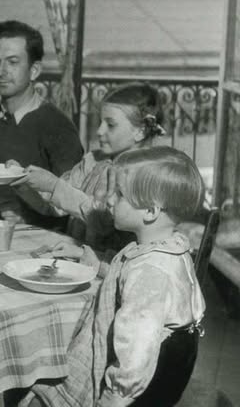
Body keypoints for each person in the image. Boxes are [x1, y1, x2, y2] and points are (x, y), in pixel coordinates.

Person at [18, 146, 206, 407]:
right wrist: (94, 262)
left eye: (119, 194)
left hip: (134, 390)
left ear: (150, 211)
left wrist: (113, 397)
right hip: (167, 374)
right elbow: (128, 273)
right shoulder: (167, 248)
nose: (108, 200)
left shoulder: (151, 273)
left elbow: (137, 350)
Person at [12, 82, 165, 251]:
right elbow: (54, 206)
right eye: (100, 122)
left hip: (112, 266)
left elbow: (105, 222)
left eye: (110, 124)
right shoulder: (93, 160)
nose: (99, 131)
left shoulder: (144, 174)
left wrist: (55, 186)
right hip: (75, 254)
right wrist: (23, 183)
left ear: (140, 131)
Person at [0, 20, 83, 228]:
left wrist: (28, 218)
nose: (1, 72)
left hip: (43, 239)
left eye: (12, 62)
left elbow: (74, 204)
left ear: (34, 70)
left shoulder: (58, 127)